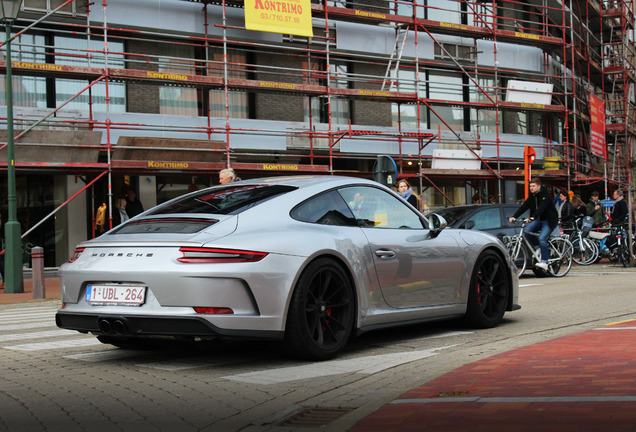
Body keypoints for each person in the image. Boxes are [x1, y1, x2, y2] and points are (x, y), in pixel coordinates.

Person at [508, 178, 559, 271]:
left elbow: (541, 208)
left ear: (539, 186)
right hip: (538, 219)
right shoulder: (532, 196)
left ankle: (544, 262)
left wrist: (533, 217)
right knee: (526, 232)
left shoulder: (545, 195)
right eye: (530, 186)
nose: (531, 188)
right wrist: (514, 216)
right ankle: (538, 247)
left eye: (533, 186)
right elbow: (524, 206)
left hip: (549, 220)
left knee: (542, 238)